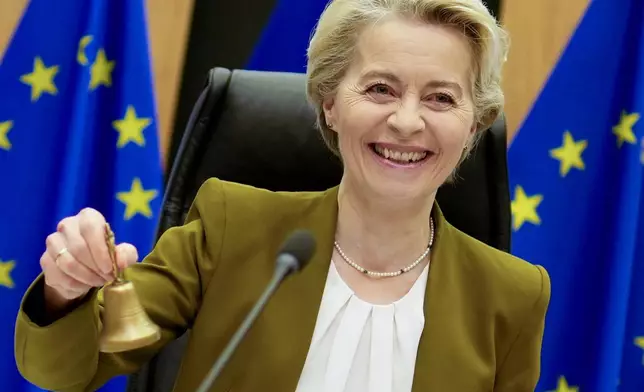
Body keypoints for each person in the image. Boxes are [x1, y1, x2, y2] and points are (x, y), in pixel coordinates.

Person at [14, 0, 551, 391]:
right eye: (380, 89)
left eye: (440, 98)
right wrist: (68, 290)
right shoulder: (233, 227)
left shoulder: (512, 295)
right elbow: (66, 369)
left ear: (472, 127)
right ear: (329, 104)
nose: (406, 121)